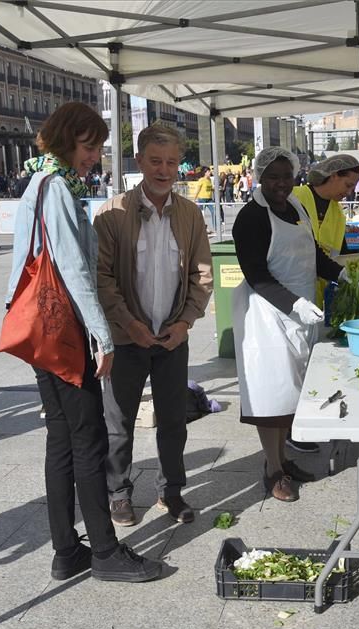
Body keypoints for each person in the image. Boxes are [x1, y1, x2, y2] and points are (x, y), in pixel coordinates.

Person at [6, 101, 161, 583]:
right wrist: (102, 336)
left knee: (61, 440)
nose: (94, 157)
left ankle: (66, 549)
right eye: (89, 147)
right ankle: (106, 553)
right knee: (88, 438)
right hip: (66, 331)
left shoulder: (40, 182)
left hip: (42, 331)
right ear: (67, 140)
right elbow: (73, 270)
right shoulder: (55, 189)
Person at [94, 124, 213, 527]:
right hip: (128, 338)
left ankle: (171, 492)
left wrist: (185, 323)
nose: (165, 170)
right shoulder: (113, 213)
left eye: (172, 162)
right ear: (140, 161)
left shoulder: (191, 214)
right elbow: (103, 279)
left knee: (173, 420)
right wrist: (129, 323)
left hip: (172, 338)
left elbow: (202, 275)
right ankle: (119, 494)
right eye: (156, 161)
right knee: (119, 422)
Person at [231, 147, 350, 502]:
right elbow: (256, 275)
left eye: (288, 176)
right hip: (267, 315)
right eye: (274, 177)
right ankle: (272, 471)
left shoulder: (297, 208)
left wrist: (340, 274)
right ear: (259, 177)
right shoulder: (250, 217)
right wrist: (294, 303)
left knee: (293, 392)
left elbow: (312, 254)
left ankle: (282, 460)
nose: (282, 184)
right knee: (273, 397)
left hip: (300, 312)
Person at [289, 153, 359, 455]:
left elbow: (340, 252)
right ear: (332, 175)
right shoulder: (295, 197)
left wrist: (358, 271)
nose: (349, 192)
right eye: (347, 184)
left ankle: (311, 418)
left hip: (319, 294)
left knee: (312, 363)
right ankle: (292, 427)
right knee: (292, 364)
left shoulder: (337, 212)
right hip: (290, 292)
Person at [193, 167, 215, 232]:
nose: (210, 172)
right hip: (202, 199)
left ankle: (216, 228)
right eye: (208, 171)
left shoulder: (210, 180)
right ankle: (203, 229)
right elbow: (198, 190)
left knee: (214, 212)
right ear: (205, 173)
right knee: (202, 215)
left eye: (210, 171)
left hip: (209, 199)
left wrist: (214, 189)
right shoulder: (201, 180)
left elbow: (210, 189)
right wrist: (194, 199)